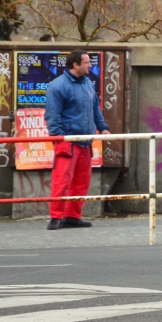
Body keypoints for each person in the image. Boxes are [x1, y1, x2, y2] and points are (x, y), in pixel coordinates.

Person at [44, 50, 110, 230]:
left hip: (85, 142)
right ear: (75, 65)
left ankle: (72, 216)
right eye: (87, 62)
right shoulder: (58, 86)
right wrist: (60, 139)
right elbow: (52, 116)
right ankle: (56, 217)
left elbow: (95, 108)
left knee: (81, 182)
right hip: (68, 142)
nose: (90, 65)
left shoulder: (88, 83)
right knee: (62, 181)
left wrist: (102, 127)